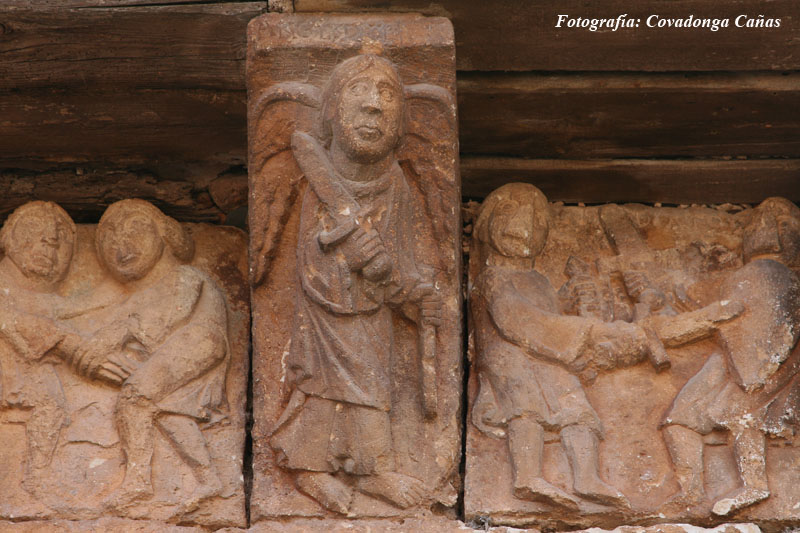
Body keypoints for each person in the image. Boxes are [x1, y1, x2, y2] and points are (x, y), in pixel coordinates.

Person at [269, 53, 442, 514]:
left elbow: (403, 260)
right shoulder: (317, 183)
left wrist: (410, 287)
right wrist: (348, 256)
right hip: (326, 315)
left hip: (372, 314)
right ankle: (310, 471)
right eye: (359, 93)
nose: (374, 106)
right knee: (323, 391)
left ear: (401, 121)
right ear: (332, 111)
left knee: (372, 389)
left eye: (387, 95)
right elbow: (310, 258)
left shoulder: (397, 186)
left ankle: (371, 470)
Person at [470, 183, 648, 510]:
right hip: (506, 357)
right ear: (487, 226)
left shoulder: (539, 280)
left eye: (536, 224)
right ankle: (526, 477)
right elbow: (517, 321)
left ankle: (586, 477)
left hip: (546, 355)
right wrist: (586, 332)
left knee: (575, 403)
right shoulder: (492, 277)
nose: (525, 230)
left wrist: (577, 306)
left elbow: (549, 316)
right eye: (512, 218)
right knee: (525, 405)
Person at [65, 200, 230, 513]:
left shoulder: (184, 275)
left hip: (199, 341)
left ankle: (139, 483)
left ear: (164, 235)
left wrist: (110, 340)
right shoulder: (144, 295)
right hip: (188, 346)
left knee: (135, 398)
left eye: (134, 231)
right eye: (109, 240)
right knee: (167, 411)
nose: (121, 246)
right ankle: (209, 480)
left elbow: (165, 320)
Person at [660, 197, 800, 516]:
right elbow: (727, 317)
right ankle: (692, 490)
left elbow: (722, 316)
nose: (765, 229)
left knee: (739, 412)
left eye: (781, 223)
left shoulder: (765, 274)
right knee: (680, 415)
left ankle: (754, 484)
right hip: (735, 360)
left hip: (761, 369)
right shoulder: (755, 274)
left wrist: (671, 327)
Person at [0, 201, 81, 495]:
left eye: (57, 247)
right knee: (48, 399)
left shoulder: (43, 294)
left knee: (51, 404)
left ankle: (36, 480)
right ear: (15, 240)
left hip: (25, 363)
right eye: (39, 242)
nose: (49, 253)